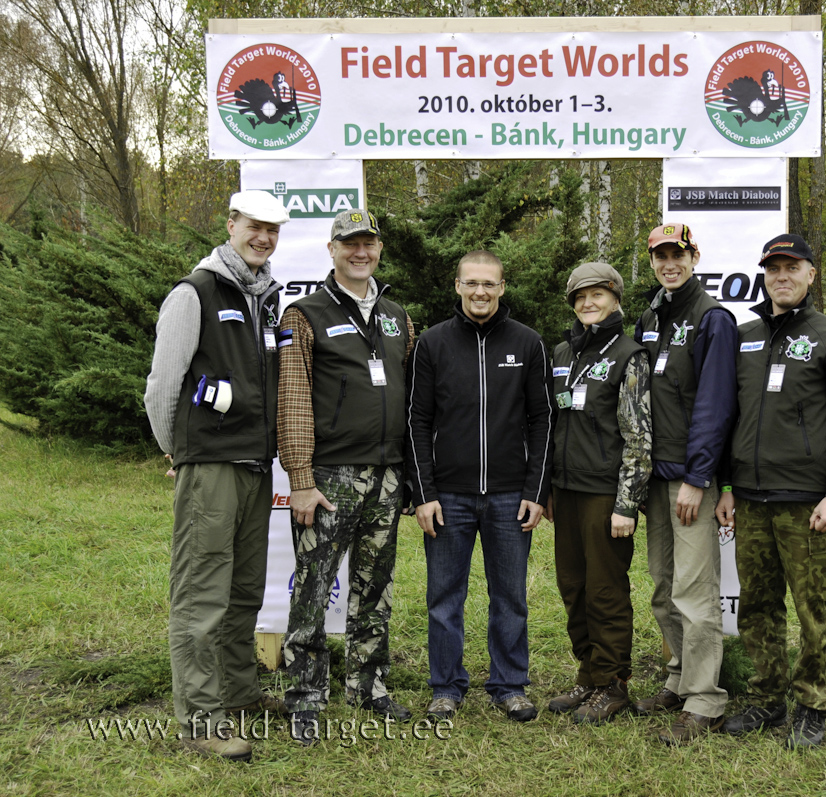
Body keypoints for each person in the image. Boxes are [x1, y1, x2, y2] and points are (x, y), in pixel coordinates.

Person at [144, 190, 290, 761]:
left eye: (273, 229)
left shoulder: (264, 299)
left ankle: (238, 695)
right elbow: (163, 386)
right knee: (202, 595)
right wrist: (179, 452)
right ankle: (201, 722)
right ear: (231, 225)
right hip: (210, 466)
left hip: (255, 466)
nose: (264, 237)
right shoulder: (194, 293)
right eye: (254, 226)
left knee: (243, 591)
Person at [715, 233, 826, 749]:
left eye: (792, 267)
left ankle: (813, 705)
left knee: (812, 607)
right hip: (752, 499)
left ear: (811, 274)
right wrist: (728, 486)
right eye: (773, 267)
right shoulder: (747, 336)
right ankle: (766, 697)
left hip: (808, 502)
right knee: (757, 604)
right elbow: (731, 416)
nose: (781, 276)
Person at [276, 209, 417, 745]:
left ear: (379, 249)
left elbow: (410, 402)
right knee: (313, 587)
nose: (361, 252)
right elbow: (291, 400)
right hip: (328, 478)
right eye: (350, 243)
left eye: (369, 243)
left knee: (374, 587)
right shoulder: (303, 315)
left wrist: (408, 473)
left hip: (386, 476)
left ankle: (368, 684)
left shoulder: (397, 316)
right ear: (331, 249)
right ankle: (306, 696)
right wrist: (302, 478)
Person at [407, 250, 554, 723]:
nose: (480, 292)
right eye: (471, 283)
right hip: (448, 494)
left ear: (502, 287)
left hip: (511, 493)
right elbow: (416, 420)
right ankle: (446, 687)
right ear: (457, 286)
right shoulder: (433, 344)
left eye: (489, 284)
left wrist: (536, 490)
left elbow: (543, 419)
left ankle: (509, 685)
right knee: (444, 596)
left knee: (509, 595)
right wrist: (423, 493)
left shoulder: (528, 343)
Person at [632, 223, 737, 745]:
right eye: (660, 256)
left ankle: (705, 699)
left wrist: (700, 478)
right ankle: (677, 679)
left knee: (695, 594)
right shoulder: (651, 315)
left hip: (689, 482)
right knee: (662, 587)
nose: (669, 263)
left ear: (695, 256)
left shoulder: (711, 318)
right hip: (654, 477)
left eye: (678, 254)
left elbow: (716, 405)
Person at [544, 263, 652, 724]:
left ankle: (613, 684)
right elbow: (549, 424)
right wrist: (546, 486)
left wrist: (627, 502)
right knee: (573, 586)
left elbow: (639, 436)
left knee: (605, 591)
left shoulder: (630, 355)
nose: (589, 303)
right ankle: (588, 675)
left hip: (605, 495)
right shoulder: (563, 352)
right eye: (580, 296)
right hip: (565, 490)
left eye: (598, 295)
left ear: (615, 298)